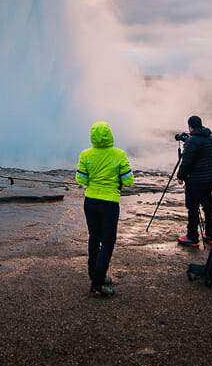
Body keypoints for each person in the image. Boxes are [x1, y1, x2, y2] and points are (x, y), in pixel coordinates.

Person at [76, 121, 134, 296]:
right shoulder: (119, 155)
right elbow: (129, 181)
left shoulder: (85, 155)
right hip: (109, 204)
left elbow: (80, 180)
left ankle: (94, 274)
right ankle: (98, 284)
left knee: (94, 238)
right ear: (110, 135)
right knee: (108, 242)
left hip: (91, 202)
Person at [177, 115, 212, 248]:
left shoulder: (192, 142)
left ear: (190, 126)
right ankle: (210, 235)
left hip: (196, 180)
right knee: (208, 207)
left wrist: (180, 176)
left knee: (192, 208)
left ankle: (192, 238)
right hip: (210, 178)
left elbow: (187, 162)